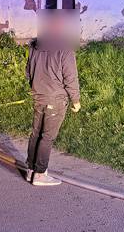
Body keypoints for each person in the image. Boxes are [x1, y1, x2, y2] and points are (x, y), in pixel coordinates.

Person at [24, 14, 81, 186]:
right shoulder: (64, 48)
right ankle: (40, 175)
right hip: (55, 99)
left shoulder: (35, 46)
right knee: (47, 137)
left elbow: (28, 72)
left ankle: (31, 170)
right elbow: (70, 77)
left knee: (36, 133)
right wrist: (76, 100)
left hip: (38, 96)